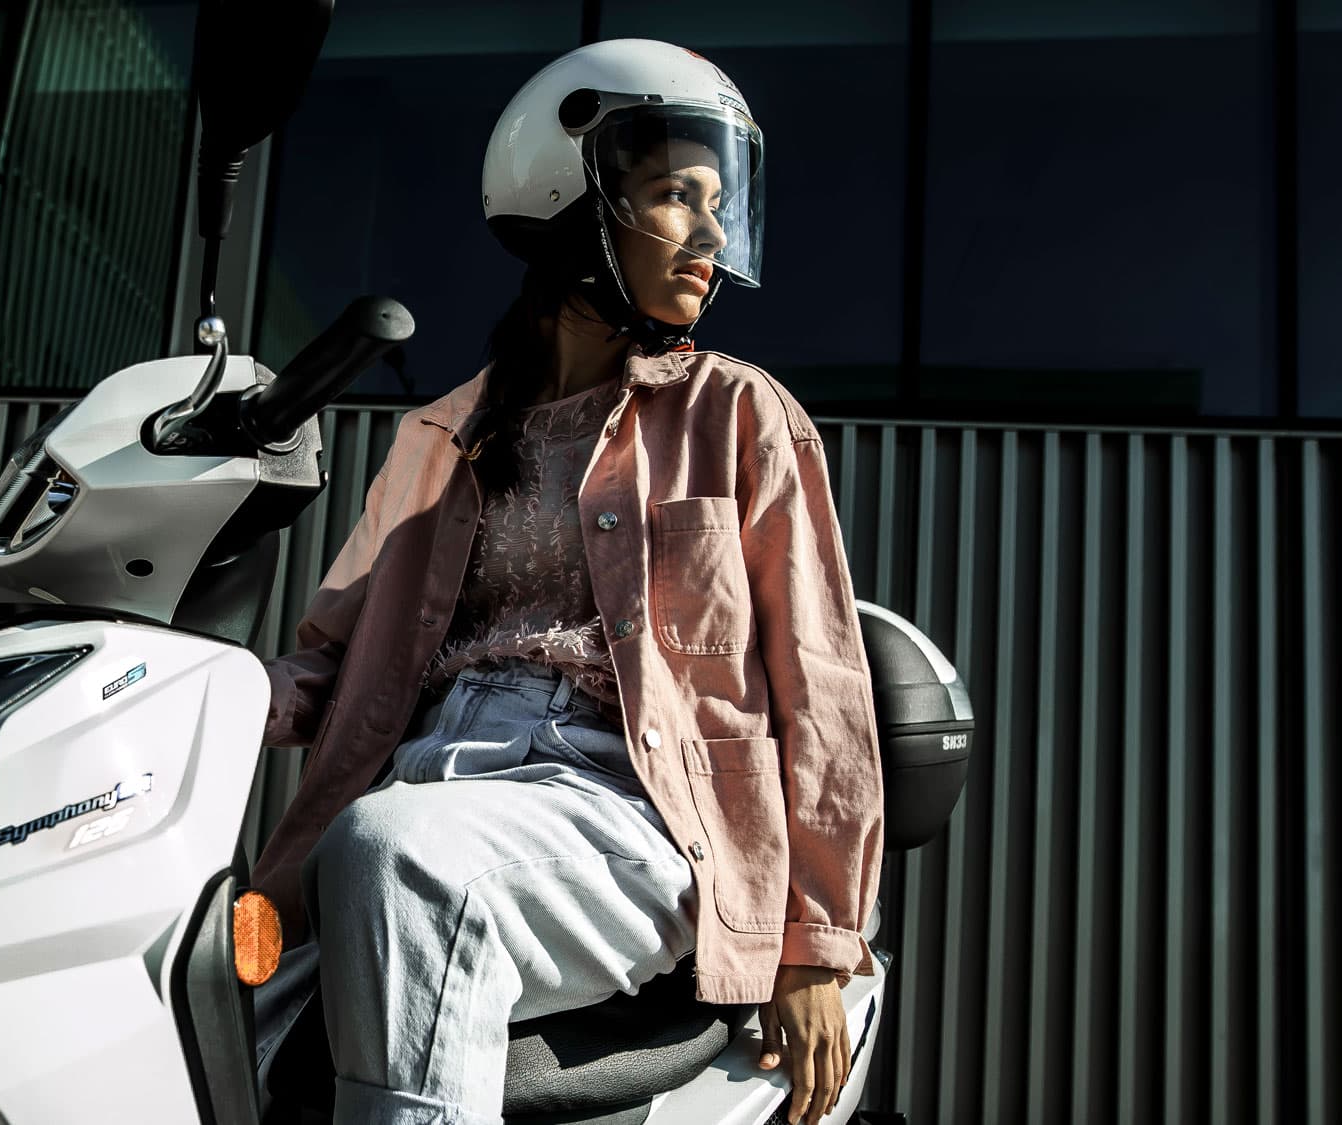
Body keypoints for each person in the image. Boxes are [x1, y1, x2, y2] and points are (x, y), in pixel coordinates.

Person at [252, 39, 884, 1125]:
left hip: (635, 809)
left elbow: (821, 681)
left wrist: (816, 939)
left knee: (399, 858)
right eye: (676, 196)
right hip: (423, 786)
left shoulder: (738, 414)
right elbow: (329, 661)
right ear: (569, 197)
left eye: (719, 204)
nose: (711, 235)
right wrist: (168, 690)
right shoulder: (441, 433)